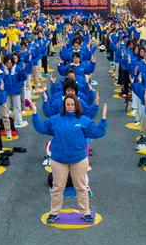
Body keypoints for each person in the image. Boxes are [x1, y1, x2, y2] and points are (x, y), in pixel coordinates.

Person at [34, 91, 107, 223]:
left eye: (72, 104)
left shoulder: (84, 120)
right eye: (67, 104)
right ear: (64, 105)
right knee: (57, 187)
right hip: (59, 160)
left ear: (76, 105)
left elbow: (98, 132)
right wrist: (34, 114)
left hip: (78, 159)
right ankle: (54, 212)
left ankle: (85, 212)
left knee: (81, 187)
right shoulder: (55, 120)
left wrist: (103, 120)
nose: (70, 106)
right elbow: (41, 128)